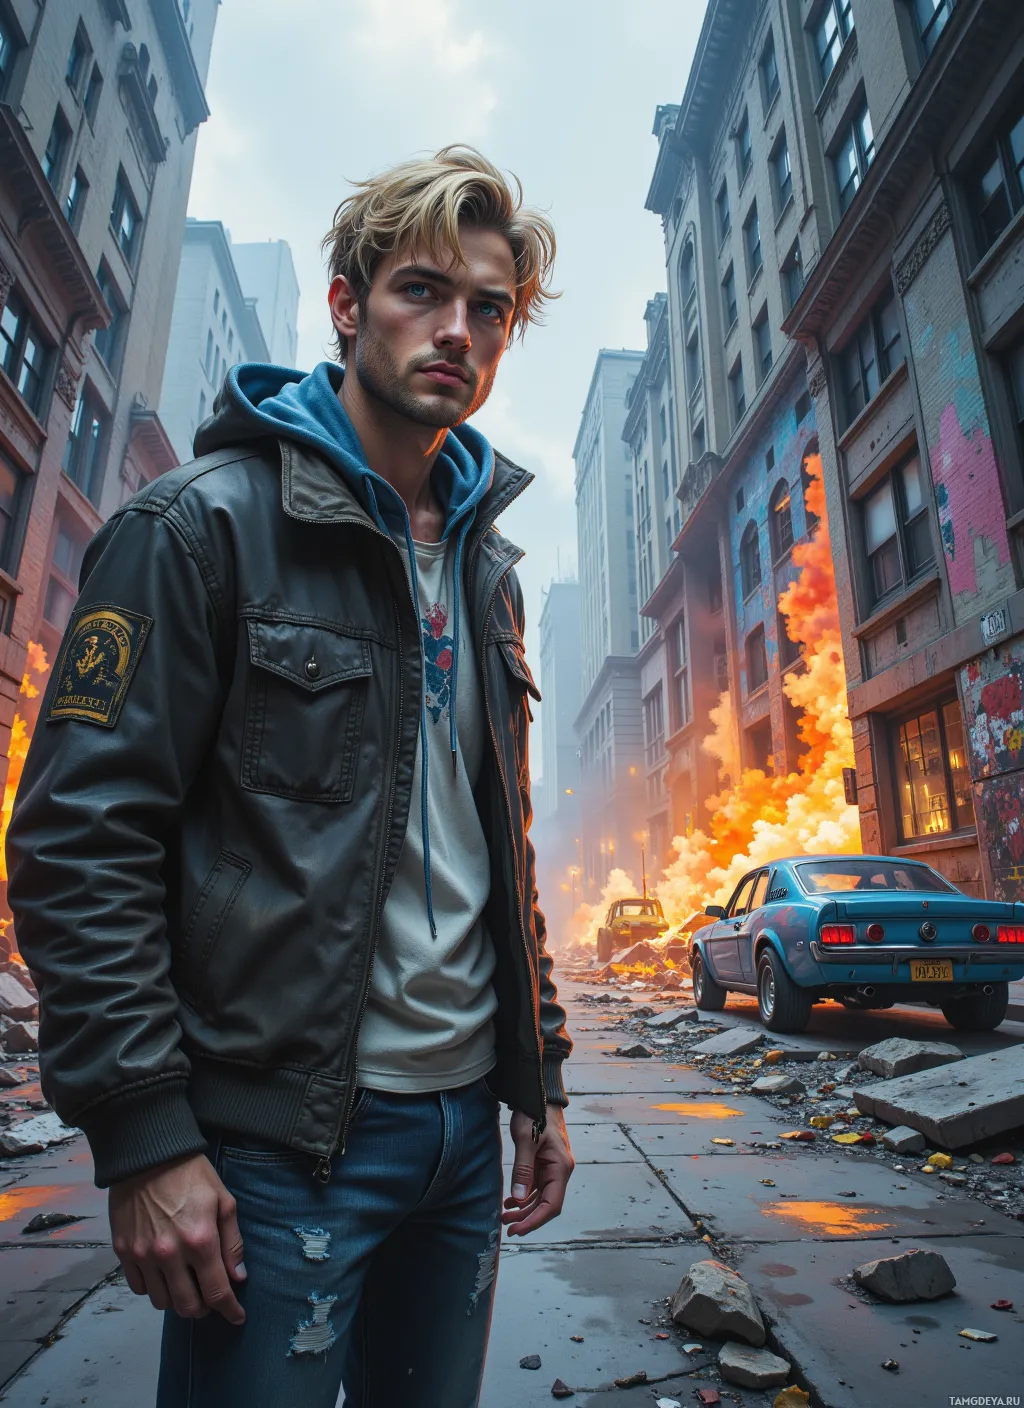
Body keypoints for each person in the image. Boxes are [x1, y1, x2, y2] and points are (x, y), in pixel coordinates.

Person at [7, 145, 573, 1408]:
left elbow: (498, 847)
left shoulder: (489, 574)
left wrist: (535, 1084)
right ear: (345, 305)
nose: (457, 329)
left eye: (488, 307)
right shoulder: (195, 526)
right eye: (421, 290)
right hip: (276, 1144)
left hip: (460, 1141)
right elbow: (79, 842)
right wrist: (144, 1136)